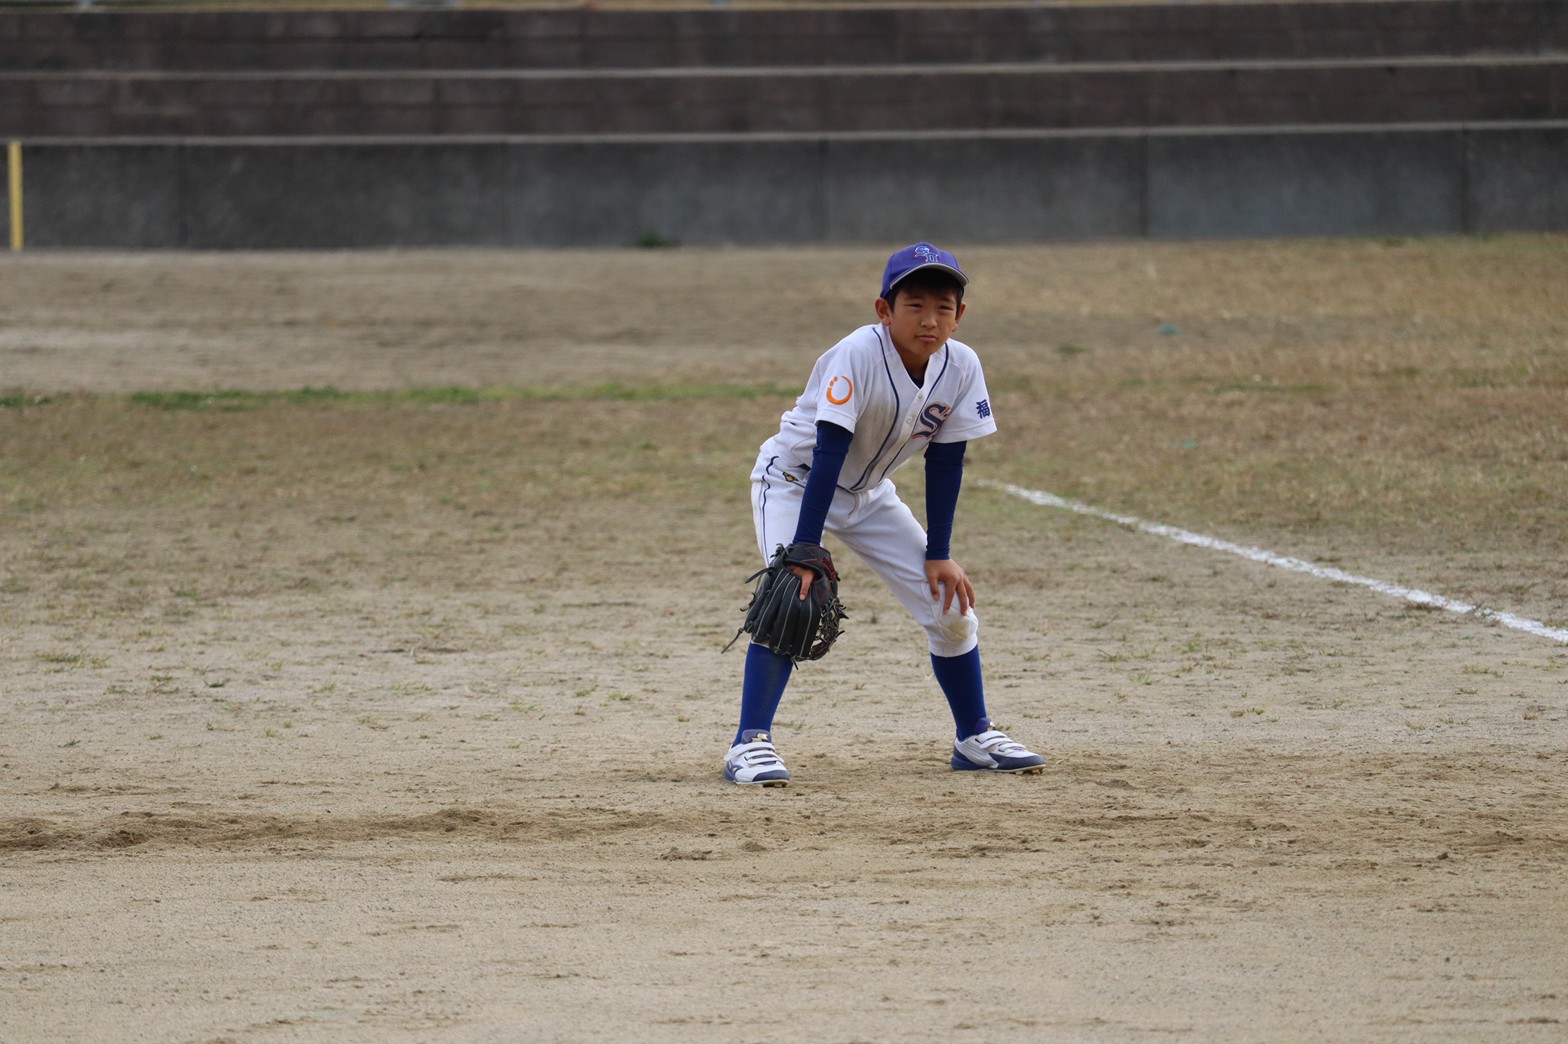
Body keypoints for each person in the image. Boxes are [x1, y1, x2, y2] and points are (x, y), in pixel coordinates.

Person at [723, 242, 1046, 786]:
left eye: (944, 307)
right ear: (884, 310)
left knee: (951, 607)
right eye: (914, 305)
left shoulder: (961, 366)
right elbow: (828, 453)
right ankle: (749, 744)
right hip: (795, 483)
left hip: (870, 494)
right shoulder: (857, 353)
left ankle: (974, 736)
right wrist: (804, 550)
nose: (930, 319)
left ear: (960, 316)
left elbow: (947, 460)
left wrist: (938, 553)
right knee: (790, 599)